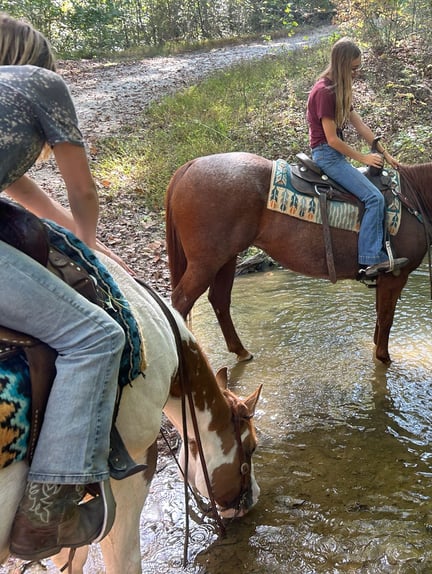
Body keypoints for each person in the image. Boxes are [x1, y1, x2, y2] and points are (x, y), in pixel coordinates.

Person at [0, 13, 140, 561]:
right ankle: (45, 514)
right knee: (97, 338)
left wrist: (87, 247)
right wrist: (91, 248)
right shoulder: (41, 83)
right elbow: (82, 193)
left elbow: (30, 195)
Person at [307, 37, 408, 279]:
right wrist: (363, 158)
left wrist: (385, 154)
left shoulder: (339, 89)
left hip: (334, 154)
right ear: (341, 66)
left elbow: (360, 125)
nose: (356, 74)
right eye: (353, 69)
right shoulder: (324, 92)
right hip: (327, 155)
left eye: (358, 68)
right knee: (373, 198)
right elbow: (331, 139)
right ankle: (370, 260)